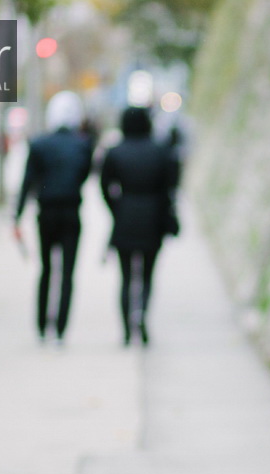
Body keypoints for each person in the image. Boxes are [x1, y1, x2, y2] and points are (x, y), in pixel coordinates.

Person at [13, 90, 94, 344]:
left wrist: (16, 217)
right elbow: (84, 175)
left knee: (46, 269)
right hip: (71, 212)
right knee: (68, 273)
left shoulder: (38, 144)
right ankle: (60, 329)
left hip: (45, 213)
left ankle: (41, 326)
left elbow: (27, 182)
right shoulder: (83, 144)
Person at [99, 107, 180, 345]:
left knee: (125, 278)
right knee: (146, 275)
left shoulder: (115, 151)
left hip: (125, 216)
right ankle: (142, 316)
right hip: (153, 217)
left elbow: (104, 186)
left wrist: (116, 208)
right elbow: (170, 187)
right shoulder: (160, 151)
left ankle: (125, 329)